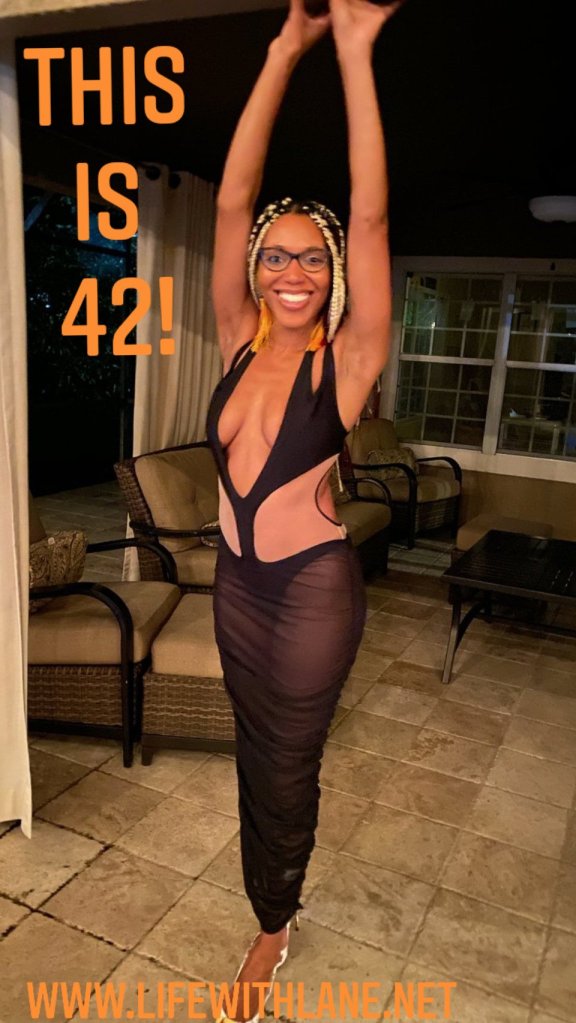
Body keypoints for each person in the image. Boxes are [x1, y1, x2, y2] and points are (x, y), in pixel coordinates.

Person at [205, 1, 401, 1019]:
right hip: (235, 586)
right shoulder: (237, 337)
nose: (292, 271)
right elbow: (232, 199)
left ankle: (272, 929)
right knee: (254, 751)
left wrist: (354, 52)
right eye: (276, 256)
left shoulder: (349, 362)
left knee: (287, 764)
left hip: (310, 592)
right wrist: (284, 51)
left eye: (310, 258)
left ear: (333, 276)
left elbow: (369, 219)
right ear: (256, 269)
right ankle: (271, 901)